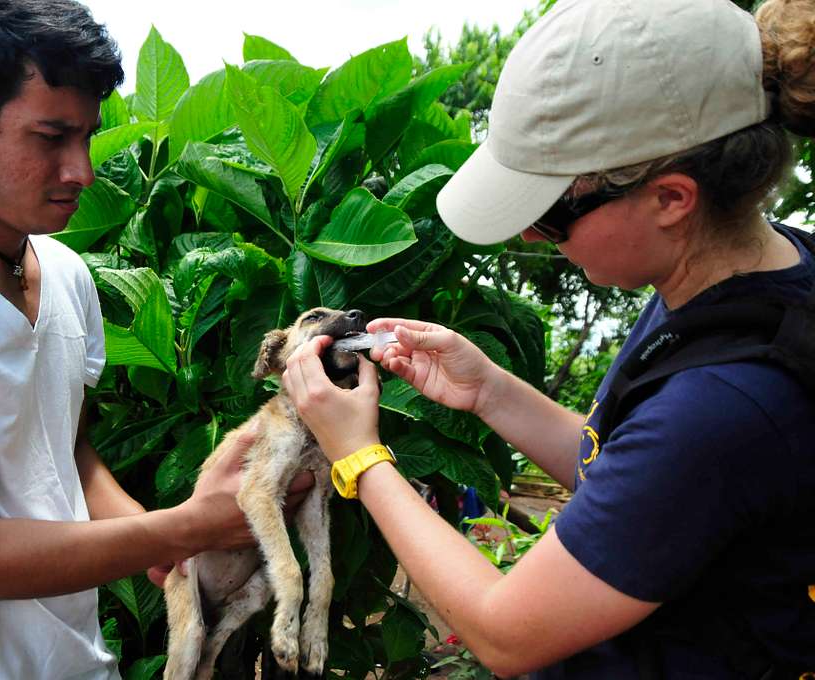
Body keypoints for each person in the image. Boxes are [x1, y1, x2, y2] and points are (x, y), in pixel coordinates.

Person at [282, 0, 815, 677]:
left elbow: (507, 633)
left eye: (554, 212)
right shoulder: (742, 286)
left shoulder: (726, 401)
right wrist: (490, 391)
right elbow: (636, 480)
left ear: (672, 199)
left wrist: (358, 457)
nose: (531, 235)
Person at [0, 2, 310, 678]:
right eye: (51, 137)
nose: (82, 170)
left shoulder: (66, 273)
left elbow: (64, 450)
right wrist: (190, 525)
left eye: (87, 137)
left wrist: (166, 553)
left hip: (73, 660)